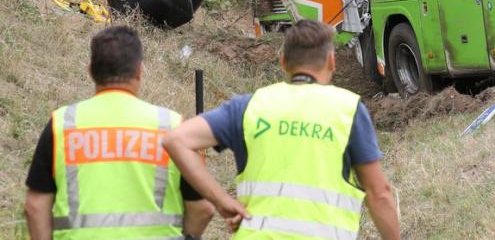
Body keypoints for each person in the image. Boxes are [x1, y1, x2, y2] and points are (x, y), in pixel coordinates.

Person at [163, 19, 400, 240]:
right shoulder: (348, 110)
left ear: (283, 61)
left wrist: (222, 201)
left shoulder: (249, 106)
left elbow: (177, 140)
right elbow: (379, 194)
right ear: (331, 61)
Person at [24, 25, 213, 240]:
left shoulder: (62, 124)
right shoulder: (172, 126)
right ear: (140, 70)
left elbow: (35, 206)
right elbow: (203, 209)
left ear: (90, 71)